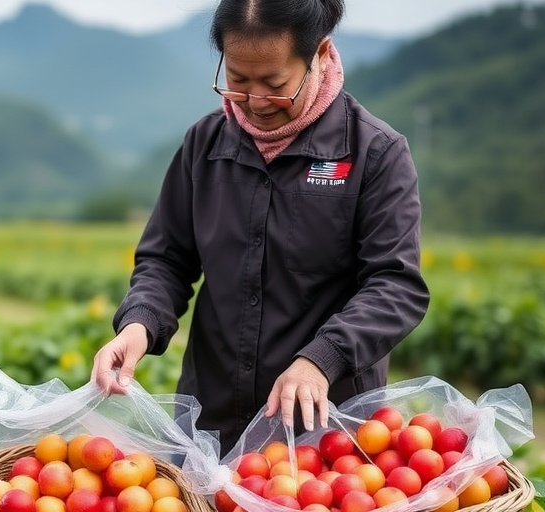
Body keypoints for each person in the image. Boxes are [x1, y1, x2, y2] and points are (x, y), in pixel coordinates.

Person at [90, 0, 430, 455]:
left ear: (321, 54)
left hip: (324, 430)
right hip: (210, 423)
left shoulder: (374, 153)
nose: (253, 102)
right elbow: (167, 259)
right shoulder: (204, 145)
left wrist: (321, 358)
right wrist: (139, 325)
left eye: (274, 85)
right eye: (237, 80)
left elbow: (395, 286)